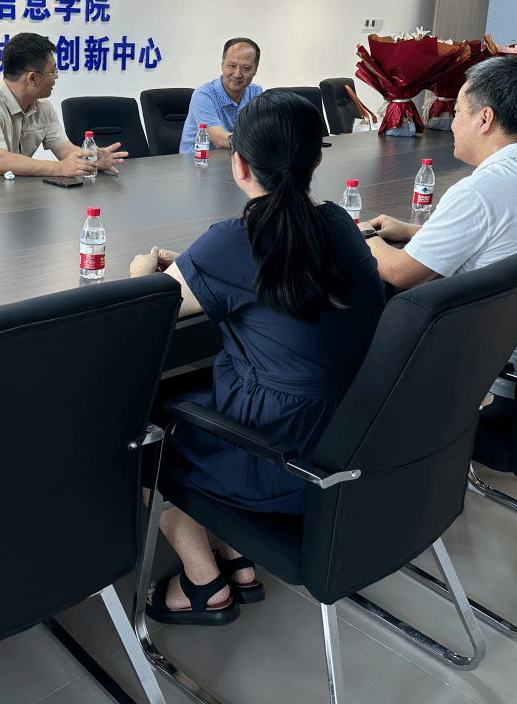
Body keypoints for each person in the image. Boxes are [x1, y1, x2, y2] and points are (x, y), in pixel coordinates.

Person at [129, 91, 385, 626]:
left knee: (141, 432)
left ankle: (204, 583)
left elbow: (148, 309)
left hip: (281, 456)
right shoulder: (340, 223)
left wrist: (139, 273)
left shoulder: (234, 240)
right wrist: (200, 263)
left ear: (239, 164)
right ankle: (240, 557)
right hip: (350, 444)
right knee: (206, 390)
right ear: (316, 161)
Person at [367, 56, 517, 410]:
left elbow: (401, 274)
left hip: (487, 379)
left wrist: (362, 233)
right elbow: (503, 235)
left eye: (458, 111)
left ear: (485, 119)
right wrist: (416, 232)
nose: (452, 122)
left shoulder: (480, 191)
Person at [0, 32, 129, 179]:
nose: (56, 77)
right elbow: (0, 162)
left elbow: (65, 150)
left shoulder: (44, 107)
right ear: (32, 78)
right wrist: (60, 168)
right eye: (53, 71)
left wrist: (92, 159)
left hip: (17, 194)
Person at [178, 37, 263, 153]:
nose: (237, 74)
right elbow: (219, 140)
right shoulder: (204, 95)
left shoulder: (256, 93)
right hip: (198, 162)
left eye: (246, 68)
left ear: (255, 70)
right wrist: (260, 142)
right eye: (232, 66)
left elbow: (265, 131)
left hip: (234, 159)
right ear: (222, 65)